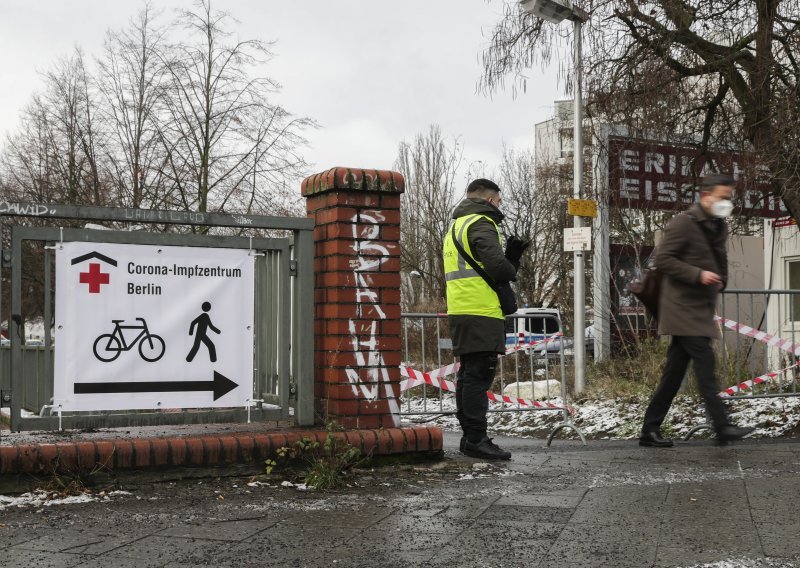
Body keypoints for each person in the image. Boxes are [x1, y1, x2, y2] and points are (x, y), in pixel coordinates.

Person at [639, 173, 755, 447]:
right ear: (706, 196)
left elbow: (720, 257)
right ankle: (722, 426)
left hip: (699, 306)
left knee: (674, 373)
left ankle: (649, 430)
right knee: (705, 365)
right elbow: (664, 259)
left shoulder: (718, 225)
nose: (727, 202)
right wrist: (698, 274)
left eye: (730, 198)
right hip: (681, 306)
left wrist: (721, 278)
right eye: (723, 197)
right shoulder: (684, 222)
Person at [443, 178, 529, 460]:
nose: (500, 206)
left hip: (461, 309)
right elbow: (500, 269)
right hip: (481, 311)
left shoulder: (456, 224)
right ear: (491, 199)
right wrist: (513, 259)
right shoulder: (481, 222)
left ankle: (470, 438)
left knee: (467, 377)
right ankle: (477, 439)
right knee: (478, 378)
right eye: (500, 201)